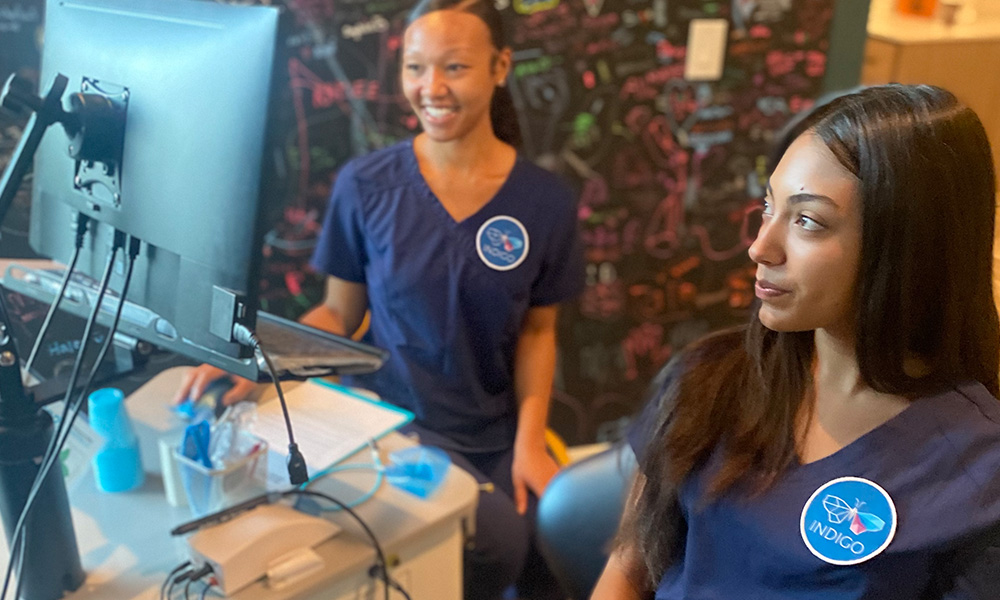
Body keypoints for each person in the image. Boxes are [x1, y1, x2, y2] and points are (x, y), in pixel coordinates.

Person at [175, 1, 584, 598]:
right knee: (497, 542)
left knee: (556, 542)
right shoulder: (366, 185)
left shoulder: (546, 201)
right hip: (394, 422)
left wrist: (529, 443)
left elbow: (539, 332)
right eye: (416, 68)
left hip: (495, 431)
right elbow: (339, 313)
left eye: (455, 67)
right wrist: (261, 356)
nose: (431, 88)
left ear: (500, 67)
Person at [592, 84, 1000, 600]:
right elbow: (630, 566)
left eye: (807, 220)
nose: (761, 247)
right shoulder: (707, 379)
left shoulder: (980, 472)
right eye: (769, 206)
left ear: (909, 246)